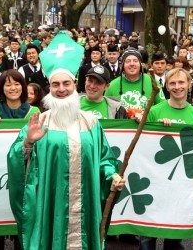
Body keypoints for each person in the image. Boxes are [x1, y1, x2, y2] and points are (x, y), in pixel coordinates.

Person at [7, 32, 124, 249]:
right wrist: (28, 144)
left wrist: (112, 175)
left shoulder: (91, 123)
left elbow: (105, 159)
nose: (61, 89)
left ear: (74, 84)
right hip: (49, 207)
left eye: (66, 84)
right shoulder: (38, 122)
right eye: (56, 85)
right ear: (49, 88)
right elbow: (15, 162)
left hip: (85, 207)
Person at [137, 68, 193, 250]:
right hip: (153, 180)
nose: (177, 87)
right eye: (172, 83)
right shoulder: (154, 111)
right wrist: (156, 128)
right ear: (166, 86)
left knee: (174, 234)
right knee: (147, 235)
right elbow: (141, 144)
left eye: (181, 82)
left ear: (189, 84)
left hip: (180, 184)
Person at [105, 49, 165, 117]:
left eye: (135, 61)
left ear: (141, 64)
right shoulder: (112, 85)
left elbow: (162, 106)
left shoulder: (152, 81)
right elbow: (106, 112)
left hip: (147, 125)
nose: (132, 64)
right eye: (128, 61)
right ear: (122, 65)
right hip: (122, 126)